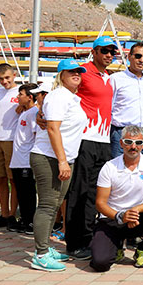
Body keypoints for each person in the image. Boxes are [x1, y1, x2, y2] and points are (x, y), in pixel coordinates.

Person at [29, 59, 88, 271]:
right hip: (49, 157)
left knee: (54, 205)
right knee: (47, 206)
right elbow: (53, 129)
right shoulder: (58, 96)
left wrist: (65, 160)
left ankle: (45, 246)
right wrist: (62, 161)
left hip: (62, 158)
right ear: (61, 75)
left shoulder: (70, 97)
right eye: (71, 71)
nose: (76, 74)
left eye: (78, 71)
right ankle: (41, 254)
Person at [90, 125, 143, 272]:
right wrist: (121, 216)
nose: (133, 147)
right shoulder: (109, 167)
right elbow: (100, 203)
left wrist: (134, 211)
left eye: (138, 143)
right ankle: (116, 247)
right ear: (121, 143)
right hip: (112, 219)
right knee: (100, 263)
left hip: (138, 218)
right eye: (128, 142)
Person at [64, 36, 117, 260]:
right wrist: (41, 112)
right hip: (85, 139)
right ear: (94, 52)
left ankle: (86, 238)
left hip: (104, 140)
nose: (109, 55)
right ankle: (73, 243)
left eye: (112, 51)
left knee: (94, 193)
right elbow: (60, 92)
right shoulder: (83, 71)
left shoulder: (108, 77)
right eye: (104, 50)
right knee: (78, 191)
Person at [110, 42, 143, 158]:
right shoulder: (115, 79)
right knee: (118, 167)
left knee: (142, 168)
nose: (141, 60)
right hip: (121, 134)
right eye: (138, 56)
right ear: (129, 57)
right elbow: (108, 107)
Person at [0, 63, 20, 229]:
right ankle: (4, 213)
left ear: (14, 75)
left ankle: (13, 215)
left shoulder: (21, 91)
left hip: (11, 139)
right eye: (1, 79)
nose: (4, 81)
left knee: (13, 179)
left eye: (7, 78)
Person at [8, 83, 39, 233]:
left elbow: (36, 135)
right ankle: (24, 219)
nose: (18, 97)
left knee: (28, 192)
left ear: (30, 97)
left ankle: (31, 222)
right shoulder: (24, 112)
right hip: (17, 160)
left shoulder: (34, 112)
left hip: (26, 160)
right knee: (21, 191)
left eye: (21, 94)